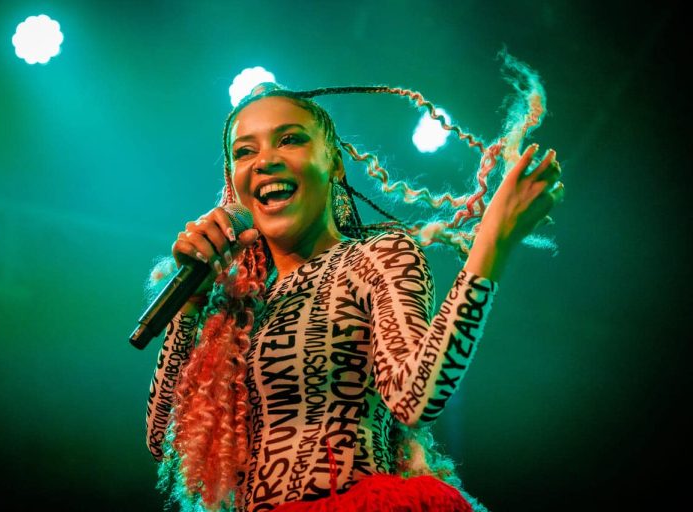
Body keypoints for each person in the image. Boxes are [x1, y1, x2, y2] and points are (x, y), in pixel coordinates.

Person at [142, 55, 564, 512]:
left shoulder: (375, 258)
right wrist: (192, 303)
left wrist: (491, 243)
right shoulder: (230, 303)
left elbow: (415, 397)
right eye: (245, 151)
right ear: (233, 182)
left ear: (335, 165)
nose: (265, 161)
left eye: (289, 140)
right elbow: (164, 439)